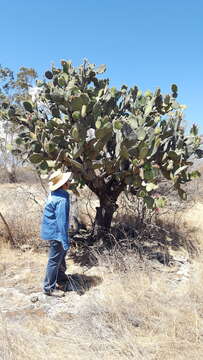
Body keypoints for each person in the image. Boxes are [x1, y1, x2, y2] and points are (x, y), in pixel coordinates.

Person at [41, 170, 72, 296]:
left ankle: (61, 280)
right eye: (67, 181)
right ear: (63, 185)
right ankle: (48, 288)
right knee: (54, 261)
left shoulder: (54, 194)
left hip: (51, 231)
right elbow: (61, 222)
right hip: (56, 233)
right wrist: (65, 240)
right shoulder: (61, 199)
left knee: (59, 258)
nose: (69, 183)